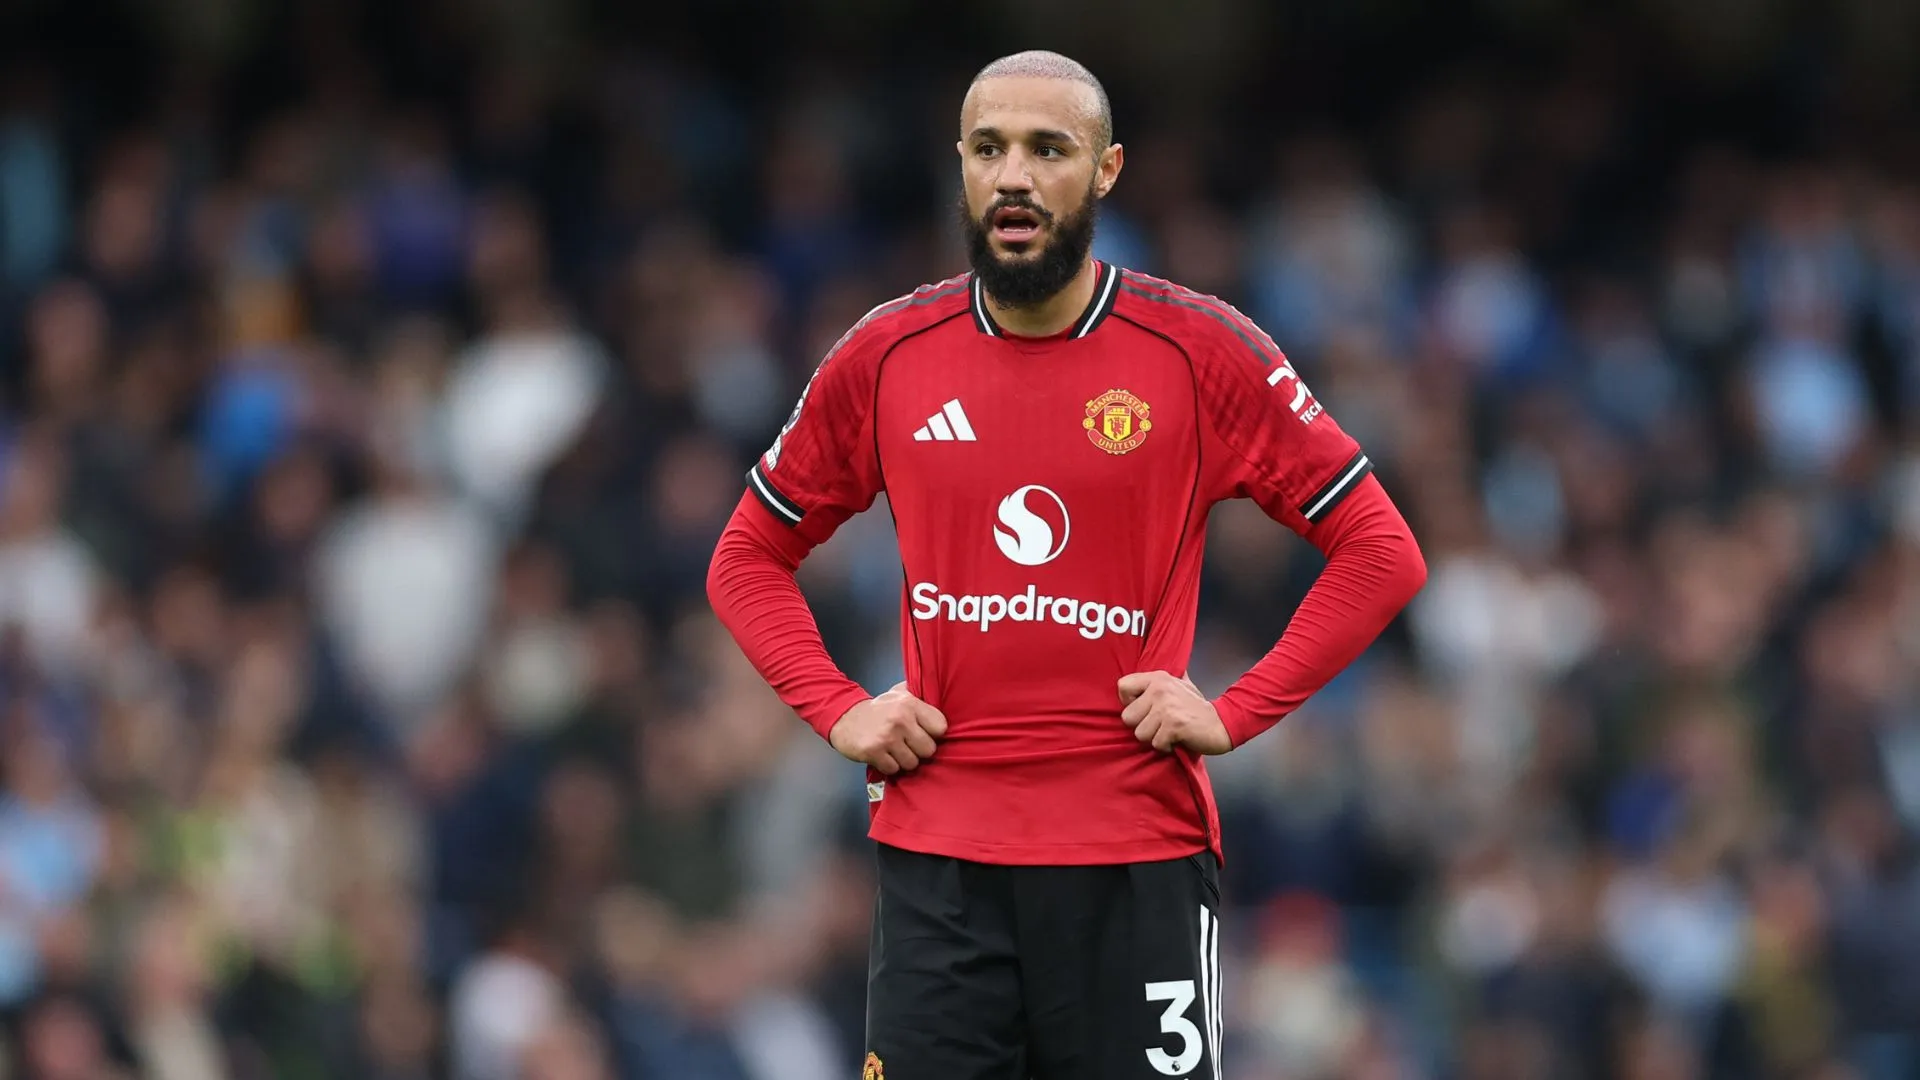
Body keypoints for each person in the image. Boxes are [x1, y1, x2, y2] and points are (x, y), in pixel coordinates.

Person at [706, 49, 1427, 1080]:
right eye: (990, 149)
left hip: (1135, 861)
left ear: (1106, 171)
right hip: (941, 866)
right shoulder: (887, 353)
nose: (1015, 176)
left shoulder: (1196, 350)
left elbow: (1381, 551)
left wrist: (1236, 710)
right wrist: (837, 707)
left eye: (1049, 150)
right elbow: (744, 558)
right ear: (959, 167)